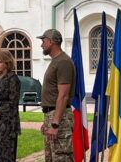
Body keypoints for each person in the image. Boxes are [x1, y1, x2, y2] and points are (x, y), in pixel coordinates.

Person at [38, 29, 76, 162]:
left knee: (61, 157)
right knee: (51, 157)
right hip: (52, 114)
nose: (41, 44)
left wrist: (55, 124)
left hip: (60, 118)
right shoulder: (56, 61)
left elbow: (63, 95)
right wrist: (47, 121)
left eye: (43, 41)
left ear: (52, 41)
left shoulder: (63, 62)